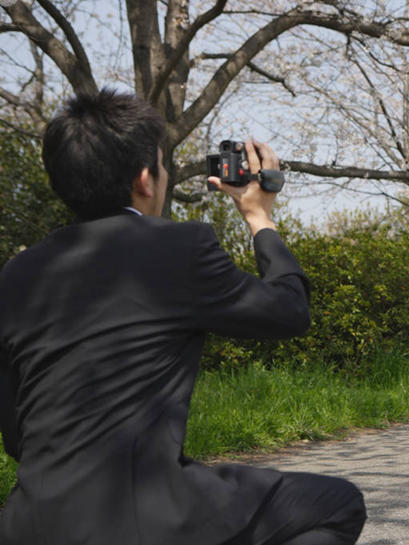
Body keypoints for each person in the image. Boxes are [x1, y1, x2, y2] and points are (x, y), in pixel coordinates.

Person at [0, 89, 366, 545]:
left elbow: (16, 436)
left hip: (28, 524)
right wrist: (258, 217)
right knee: (337, 503)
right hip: (142, 518)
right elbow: (289, 312)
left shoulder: (16, 275)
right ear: (145, 179)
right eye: (161, 163)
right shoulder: (178, 247)